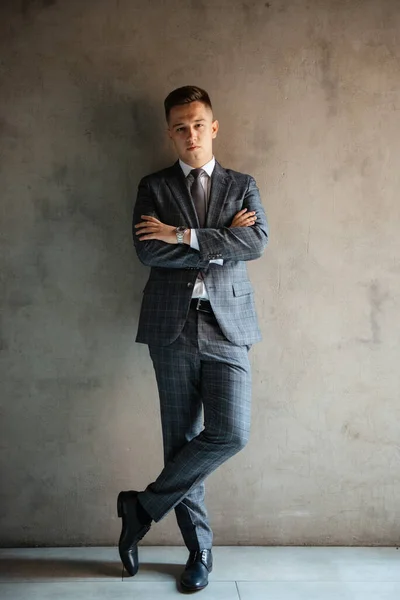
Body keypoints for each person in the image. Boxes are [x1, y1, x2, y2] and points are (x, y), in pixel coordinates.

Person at [117, 85, 268, 592]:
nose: (191, 135)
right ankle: (198, 551)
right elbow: (147, 253)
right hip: (172, 326)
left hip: (228, 326)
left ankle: (142, 507)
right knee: (179, 440)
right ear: (170, 133)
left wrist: (182, 235)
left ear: (214, 126)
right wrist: (220, 240)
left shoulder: (242, 185)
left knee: (230, 433)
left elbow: (257, 242)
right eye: (180, 127)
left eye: (198, 124)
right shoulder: (153, 186)